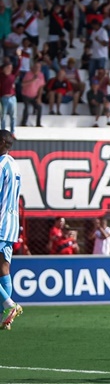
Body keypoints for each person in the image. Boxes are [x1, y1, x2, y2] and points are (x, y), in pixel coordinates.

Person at [0, 130, 22, 330]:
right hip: (11, 224)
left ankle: (10, 305)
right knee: (3, 269)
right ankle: (2, 317)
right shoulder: (14, 164)